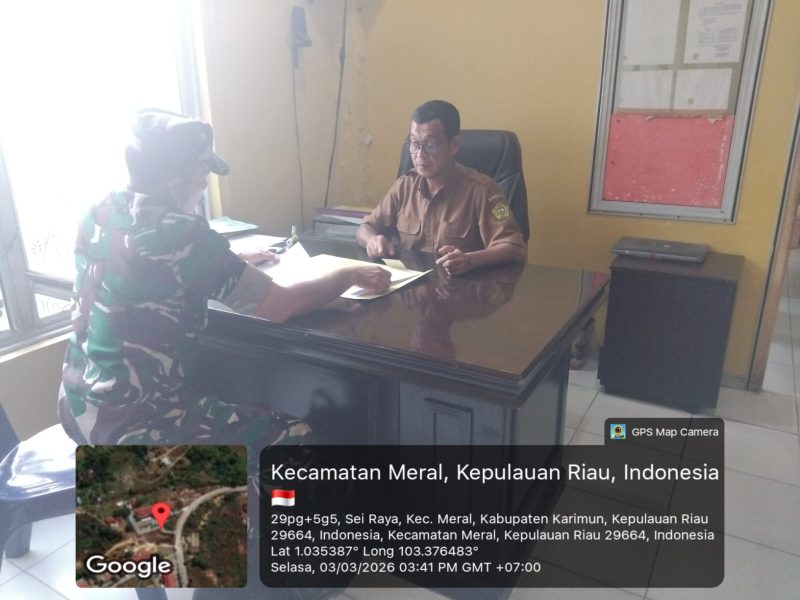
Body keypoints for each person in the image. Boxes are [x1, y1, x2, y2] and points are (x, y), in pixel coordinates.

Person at [58, 110, 390, 446]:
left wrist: (229, 262)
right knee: (298, 436)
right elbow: (280, 306)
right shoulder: (183, 233)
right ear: (175, 181)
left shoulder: (97, 210)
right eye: (202, 171)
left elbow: (137, 264)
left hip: (78, 409)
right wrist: (347, 274)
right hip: (140, 430)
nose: (204, 184)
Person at [356, 99, 527, 276]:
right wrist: (372, 240)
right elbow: (365, 228)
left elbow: (514, 247)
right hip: (413, 288)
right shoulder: (404, 186)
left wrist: (470, 260)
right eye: (414, 144)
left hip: (463, 287)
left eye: (430, 145)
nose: (420, 155)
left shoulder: (483, 191)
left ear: (454, 145)